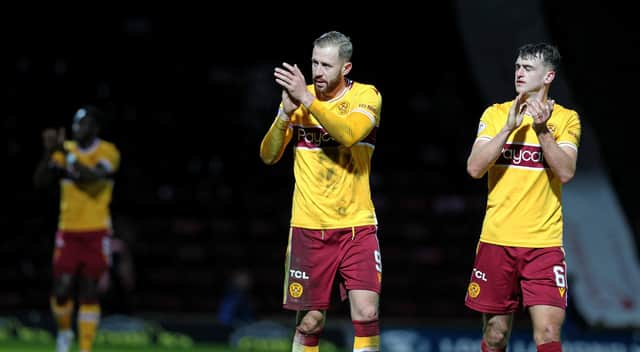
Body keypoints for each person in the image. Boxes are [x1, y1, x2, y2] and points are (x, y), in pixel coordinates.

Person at [260, 31, 383, 352]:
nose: (317, 71)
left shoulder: (366, 96)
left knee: (367, 312)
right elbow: (269, 156)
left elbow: (349, 133)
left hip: (357, 225)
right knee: (310, 321)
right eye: (314, 62)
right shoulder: (299, 102)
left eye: (327, 65)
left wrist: (306, 99)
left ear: (346, 68)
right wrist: (284, 115)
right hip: (308, 227)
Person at [464, 43, 581, 352]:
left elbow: (566, 171)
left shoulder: (567, 119)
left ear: (548, 76)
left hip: (544, 243)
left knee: (548, 332)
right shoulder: (496, 113)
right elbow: (475, 168)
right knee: (496, 335)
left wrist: (542, 131)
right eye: (517, 66)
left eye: (528, 68)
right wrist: (507, 129)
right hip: (497, 238)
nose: (519, 72)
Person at [34, 105, 120, 352]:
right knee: (61, 287)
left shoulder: (108, 152)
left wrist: (65, 154)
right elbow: (40, 181)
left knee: (89, 288)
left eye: (83, 123)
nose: (77, 128)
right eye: (75, 123)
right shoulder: (65, 150)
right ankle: (64, 333)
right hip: (68, 230)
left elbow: (91, 177)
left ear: (95, 127)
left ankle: (85, 347)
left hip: (96, 230)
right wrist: (49, 152)